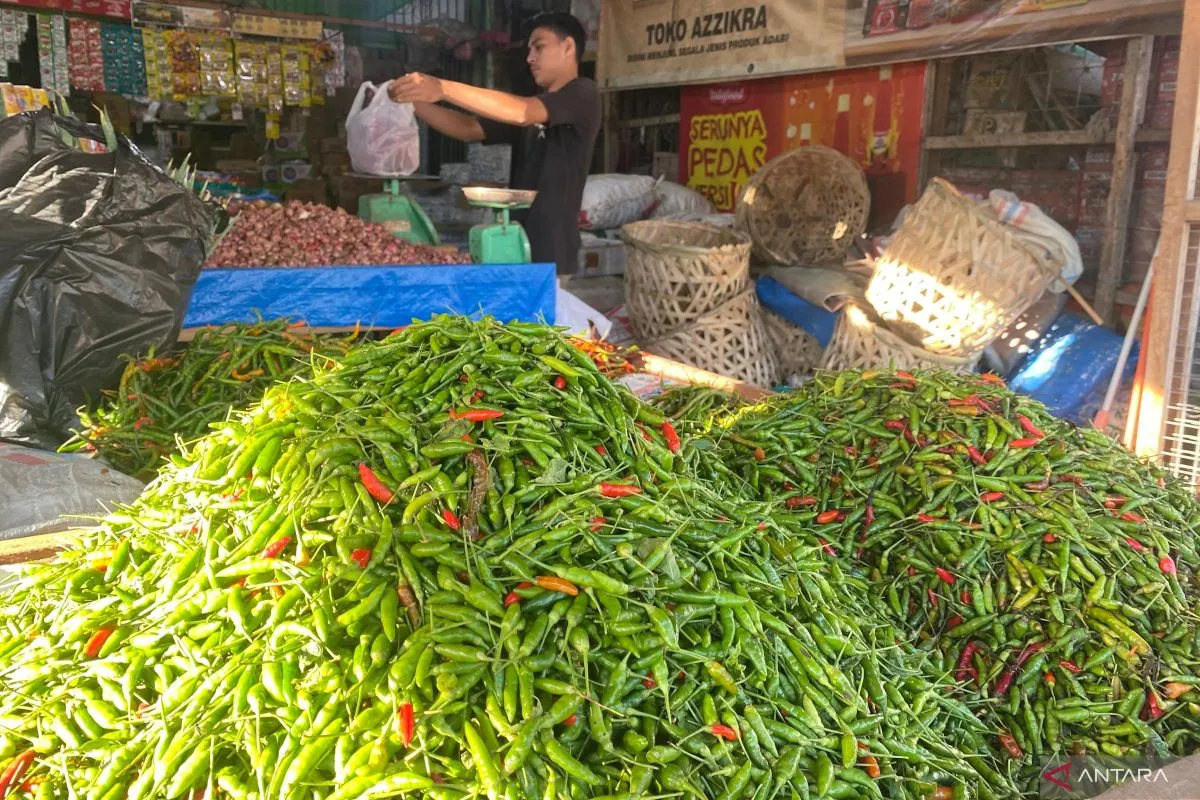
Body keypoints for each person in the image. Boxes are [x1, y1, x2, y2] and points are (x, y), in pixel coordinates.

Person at [389, 12, 599, 274]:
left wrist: (442, 88)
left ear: (568, 47)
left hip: (551, 252)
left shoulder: (582, 94)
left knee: (540, 317)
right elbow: (468, 128)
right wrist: (411, 100)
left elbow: (522, 112)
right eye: (529, 49)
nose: (530, 57)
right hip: (516, 244)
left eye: (539, 47)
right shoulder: (534, 105)